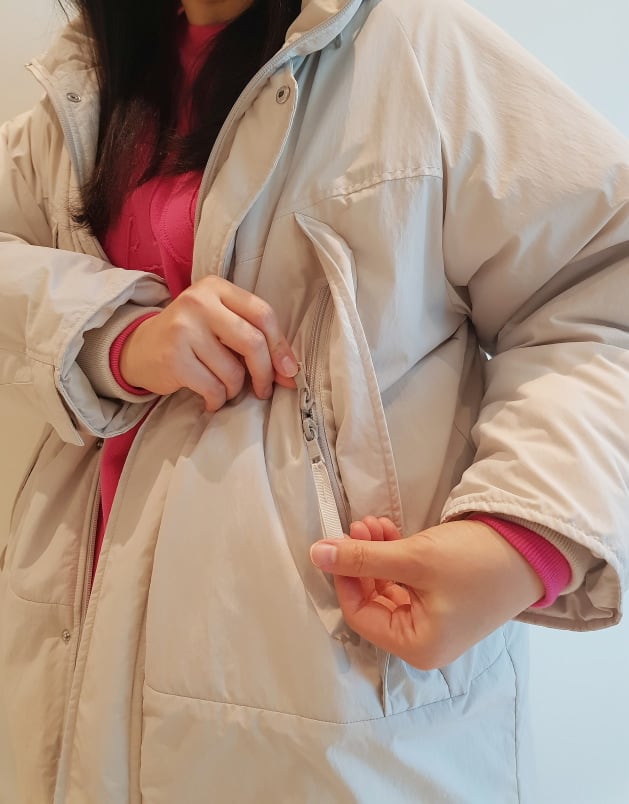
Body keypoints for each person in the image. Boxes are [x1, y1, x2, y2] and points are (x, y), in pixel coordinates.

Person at [0, 0, 627, 801]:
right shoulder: (87, 77)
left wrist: (523, 540)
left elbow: (602, 290)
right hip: (69, 670)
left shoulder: (417, 50)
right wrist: (112, 334)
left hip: (338, 708)